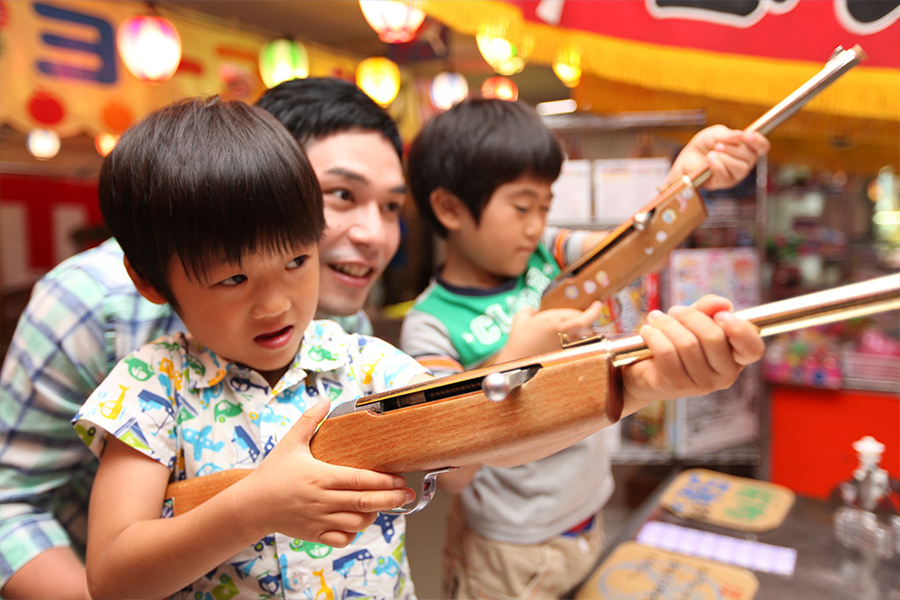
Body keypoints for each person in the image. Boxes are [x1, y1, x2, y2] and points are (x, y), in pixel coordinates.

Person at [0, 77, 408, 599]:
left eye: (392, 205)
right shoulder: (105, 328)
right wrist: (251, 508)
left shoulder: (344, 338)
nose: (375, 234)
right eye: (342, 195)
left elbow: (447, 414)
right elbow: (18, 509)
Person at [399, 97, 770, 599]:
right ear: (449, 207)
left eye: (545, 206)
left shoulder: (546, 251)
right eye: (522, 206)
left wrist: (686, 182)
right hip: (508, 547)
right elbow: (455, 472)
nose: (536, 223)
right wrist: (512, 360)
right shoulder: (429, 324)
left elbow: (632, 249)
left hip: (586, 514)